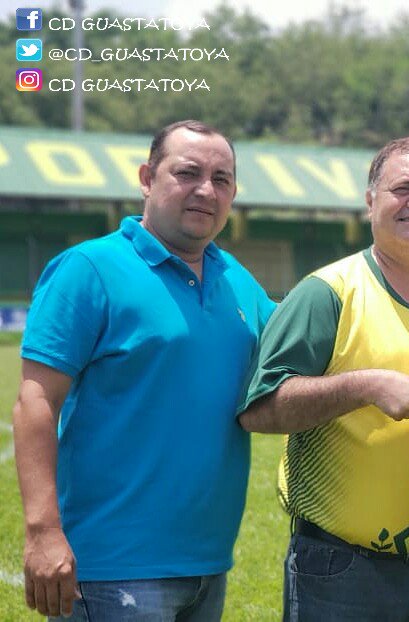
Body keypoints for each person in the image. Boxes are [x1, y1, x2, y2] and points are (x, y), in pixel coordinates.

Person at [13, 120, 275, 620]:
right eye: (188, 172)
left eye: (221, 179)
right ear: (147, 178)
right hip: (114, 567)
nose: (206, 189)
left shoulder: (236, 278)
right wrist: (43, 532)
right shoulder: (89, 269)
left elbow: (293, 356)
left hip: (209, 562)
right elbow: (35, 402)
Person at [238, 136, 409, 621]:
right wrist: (364, 387)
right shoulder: (327, 293)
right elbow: (261, 409)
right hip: (341, 567)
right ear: (370, 201)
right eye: (402, 188)